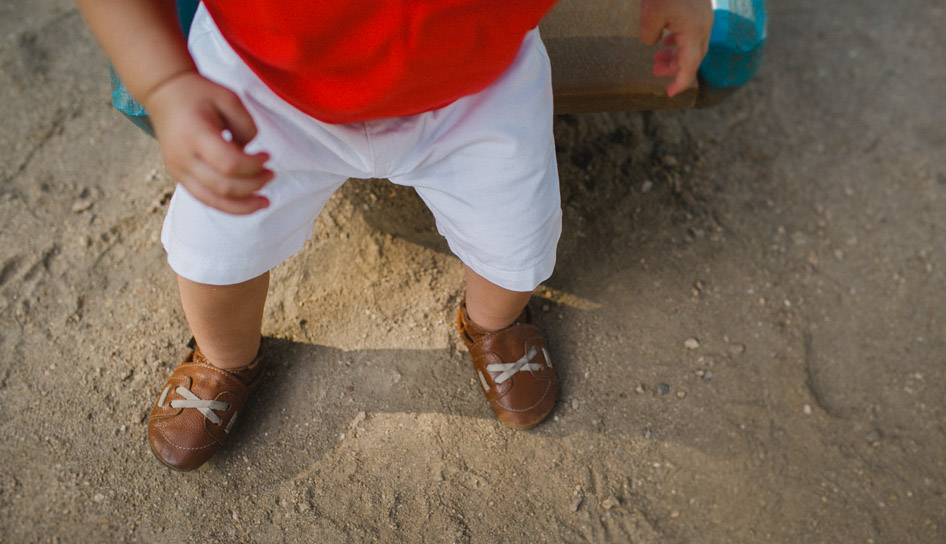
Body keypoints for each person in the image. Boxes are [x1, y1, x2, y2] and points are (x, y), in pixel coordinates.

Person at [74, 0, 714, 471]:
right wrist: (164, 83)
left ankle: (492, 323)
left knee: (517, 245)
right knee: (214, 254)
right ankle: (225, 357)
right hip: (263, 87)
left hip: (477, 84)